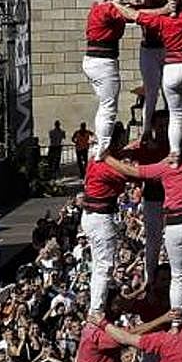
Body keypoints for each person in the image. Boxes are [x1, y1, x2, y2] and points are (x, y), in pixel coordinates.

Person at [107, 132, 182, 325]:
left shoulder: (166, 169)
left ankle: (176, 322)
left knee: (178, 275)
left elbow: (134, 172)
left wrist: (106, 158)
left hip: (176, 224)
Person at [114, 0, 182, 157]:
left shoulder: (164, 20)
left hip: (172, 67)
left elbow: (134, 16)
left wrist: (115, 5)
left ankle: (174, 155)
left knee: (176, 116)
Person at [80, 122, 130, 318]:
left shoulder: (94, 159)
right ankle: (96, 310)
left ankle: (97, 304)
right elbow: (130, 176)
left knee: (99, 264)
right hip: (100, 218)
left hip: (91, 217)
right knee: (104, 266)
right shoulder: (105, 165)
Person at [81, 0, 129, 159]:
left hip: (94, 60)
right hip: (104, 62)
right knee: (109, 106)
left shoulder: (99, 6)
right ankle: (103, 147)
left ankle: (101, 143)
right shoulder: (108, 8)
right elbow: (134, 16)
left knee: (104, 105)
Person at [122, 109, 170, 282]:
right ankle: (150, 279)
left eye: (166, 125)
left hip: (174, 198)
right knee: (153, 241)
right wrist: (141, 141)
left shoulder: (176, 145)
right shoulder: (145, 146)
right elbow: (125, 153)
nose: (163, 129)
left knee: (173, 241)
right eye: (160, 125)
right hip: (152, 198)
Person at [137, 0, 168, 131]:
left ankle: (170, 126)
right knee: (151, 93)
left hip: (165, 50)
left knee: (169, 90)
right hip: (149, 51)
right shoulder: (143, 8)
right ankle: (147, 129)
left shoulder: (168, 7)